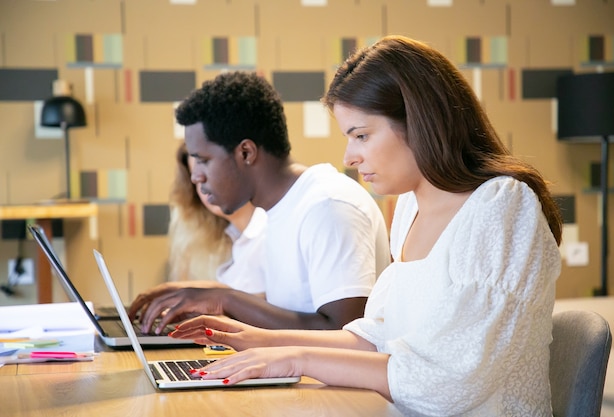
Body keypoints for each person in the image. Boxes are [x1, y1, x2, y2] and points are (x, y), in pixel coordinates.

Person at [169, 35, 563, 416]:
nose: (350, 156)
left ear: (419, 120)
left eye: (361, 135)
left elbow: (448, 383)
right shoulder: (410, 208)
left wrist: (294, 358)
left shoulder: (503, 207)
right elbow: (381, 337)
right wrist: (263, 342)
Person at [130, 71, 391, 334]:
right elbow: (295, 312)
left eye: (204, 160)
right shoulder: (277, 211)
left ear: (246, 152)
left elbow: (342, 332)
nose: (196, 176)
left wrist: (225, 300)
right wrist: (208, 295)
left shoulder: (328, 206)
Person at [130, 142, 266, 312]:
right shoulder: (236, 239)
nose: (202, 185)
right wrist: (183, 292)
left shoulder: (267, 231)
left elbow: (268, 306)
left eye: (207, 172)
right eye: (195, 179)